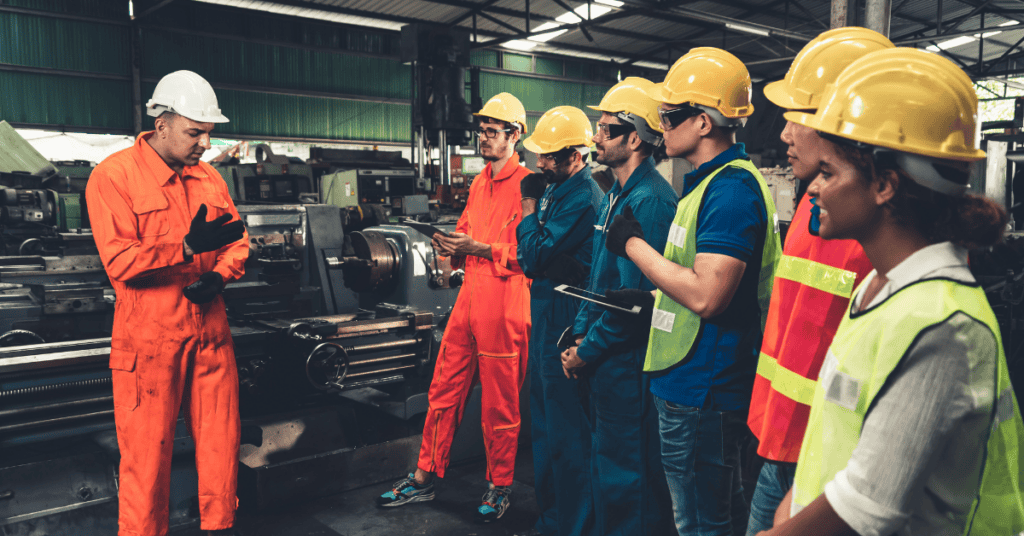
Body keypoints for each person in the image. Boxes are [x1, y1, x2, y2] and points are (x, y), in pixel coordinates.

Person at [762, 47, 1024, 536]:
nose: (814, 190)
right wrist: (792, 503)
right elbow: (837, 435)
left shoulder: (944, 325)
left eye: (829, 173)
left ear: (883, 185)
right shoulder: (877, 287)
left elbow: (868, 505)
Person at [604, 48, 782, 536]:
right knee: (715, 514)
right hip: (689, 382)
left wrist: (632, 244)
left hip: (703, 390)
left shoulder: (730, 191)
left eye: (668, 116)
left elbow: (708, 296)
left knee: (701, 524)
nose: (661, 127)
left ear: (702, 122)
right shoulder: (705, 184)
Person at [86, 70, 248, 536]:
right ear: (162, 125)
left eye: (208, 134)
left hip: (210, 333)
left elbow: (237, 240)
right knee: (147, 457)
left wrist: (219, 275)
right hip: (150, 341)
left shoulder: (210, 178)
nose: (204, 144)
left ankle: (219, 527)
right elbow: (120, 261)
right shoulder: (113, 177)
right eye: (195, 133)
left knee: (220, 448)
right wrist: (184, 249)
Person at [743, 28, 891, 536]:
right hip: (782, 442)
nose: (783, 134)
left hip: (829, 462)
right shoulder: (815, 203)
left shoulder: (876, 232)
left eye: (796, 117)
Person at [376, 92, 533, 523]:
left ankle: (500, 486)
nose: (483, 138)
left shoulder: (529, 186)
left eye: (492, 131)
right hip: (469, 301)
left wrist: (477, 247)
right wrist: (450, 247)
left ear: (515, 135)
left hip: (505, 303)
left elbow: (532, 254)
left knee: (499, 405)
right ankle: (425, 477)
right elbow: (466, 232)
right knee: (443, 391)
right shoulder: (480, 181)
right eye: (481, 131)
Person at [560, 77, 677, 536]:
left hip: (626, 364)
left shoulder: (651, 201)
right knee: (608, 475)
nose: (595, 137)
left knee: (630, 482)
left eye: (606, 129)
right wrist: (578, 335)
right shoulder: (612, 196)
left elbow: (635, 305)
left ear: (635, 138)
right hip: (602, 360)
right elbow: (599, 280)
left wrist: (589, 349)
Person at [515, 105, 604, 536]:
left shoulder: (583, 196)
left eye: (550, 155)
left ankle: (574, 526)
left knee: (568, 433)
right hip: (545, 311)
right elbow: (532, 256)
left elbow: (530, 255)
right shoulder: (557, 188)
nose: (540, 162)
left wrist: (529, 206)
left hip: (567, 315)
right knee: (546, 429)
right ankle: (551, 520)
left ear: (576, 154)